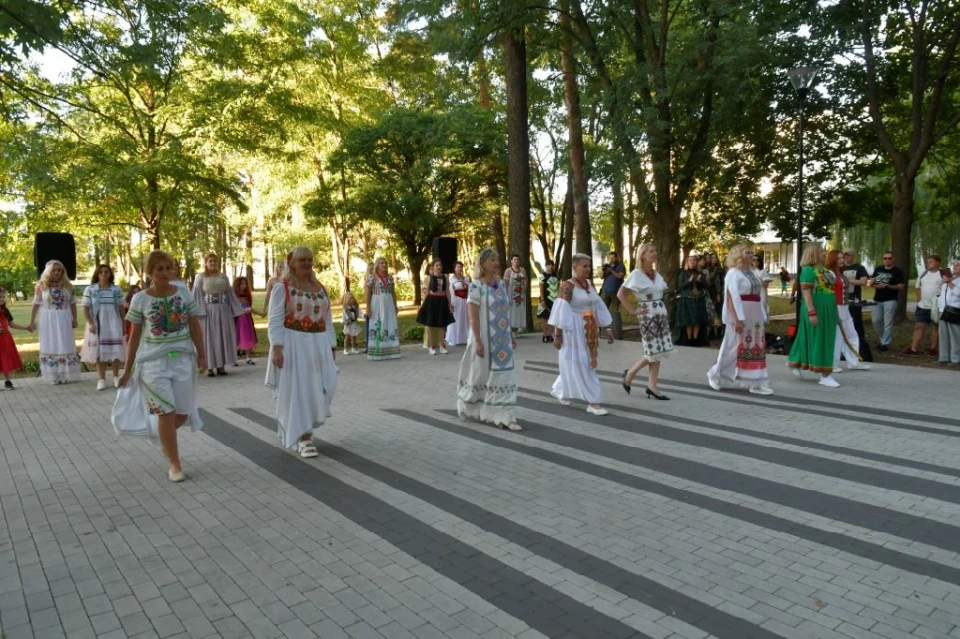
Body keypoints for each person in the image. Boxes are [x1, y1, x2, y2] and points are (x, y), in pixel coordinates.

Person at [113, 250, 205, 482]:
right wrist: (127, 369)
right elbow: (134, 336)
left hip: (183, 360)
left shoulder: (183, 293)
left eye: (168, 267)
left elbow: (194, 325)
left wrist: (202, 354)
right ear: (149, 273)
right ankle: (175, 463)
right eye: (159, 269)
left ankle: (164, 439)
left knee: (182, 413)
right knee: (166, 412)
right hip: (153, 364)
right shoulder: (140, 299)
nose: (164, 273)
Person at [266, 247, 337, 458]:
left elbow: (328, 319)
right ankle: (305, 436)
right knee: (300, 390)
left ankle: (301, 429)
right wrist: (276, 347)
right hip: (294, 345)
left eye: (309, 259)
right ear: (292, 263)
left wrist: (332, 346)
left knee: (323, 387)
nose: (307, 263)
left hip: (319, 344)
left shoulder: (320, 288)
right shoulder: (283, 288)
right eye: (302, 260)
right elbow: (274, 320)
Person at [457, 248, 520, 431]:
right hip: (483, 338)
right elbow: (473, 317)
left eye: (497, 259)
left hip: (501, 342)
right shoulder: (476, 286)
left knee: (505, 374)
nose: (496, 262)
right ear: (483, 263)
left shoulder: (500, 285)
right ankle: (468, 404)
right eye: (492, 260)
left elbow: (504, 312)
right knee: (478, 375)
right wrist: (478, 340)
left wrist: (510, 334)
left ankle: (505, 416)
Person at [549, 254, 614, 415]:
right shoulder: (567, 286)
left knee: (577, 362)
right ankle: (593, 402)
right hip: (573, 331)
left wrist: (608, 327)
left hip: (590, 329)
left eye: (589, 266)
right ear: (575, 267)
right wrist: (558, 335)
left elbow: (597, 305)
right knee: (583, 363)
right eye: (584, 266)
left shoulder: (589, 284)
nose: (588, 269)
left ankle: (559, 388)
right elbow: (560, 312)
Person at [707, 244, 773, 395]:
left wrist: (763, 314)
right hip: (740, 314)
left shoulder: (753, 273)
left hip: (755, 315)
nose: (752, 255)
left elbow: (759, 295)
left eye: (752, 253)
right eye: (748, 253)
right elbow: (731, 298)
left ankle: (757, 381)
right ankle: (715, 374)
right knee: (731, 346)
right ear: (739, 256)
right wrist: (737, 319)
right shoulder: (733, 273)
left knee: (756, 347)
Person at [618, 244, 673, 400]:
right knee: (652, 350)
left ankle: (652, 385)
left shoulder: (656, 274)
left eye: (655, 250)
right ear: (642, 255)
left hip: (660, 313)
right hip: (647, 314)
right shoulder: (636, 274)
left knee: (659, 350)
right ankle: (630, 374)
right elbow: (621, 294)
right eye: (651, 251)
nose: (655, 253)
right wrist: (632, 310)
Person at [788, 245, 840, 387]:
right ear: (813, 255)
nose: (824, 254)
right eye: (821, 252)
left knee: (819, 337)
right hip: (816, 307)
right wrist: (812, 312)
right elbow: (806, 294)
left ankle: (796, 361)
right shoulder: (807, 271)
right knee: (818, 338)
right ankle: (825, 373)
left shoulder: (825, 271)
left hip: (828, 309)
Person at [192, 253, 248, 376]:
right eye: (210, 261)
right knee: (210, 338)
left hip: (223, 310)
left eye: (214, 261)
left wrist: (237, 309)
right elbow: (197, 296)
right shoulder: (200, 277)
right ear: (205, 263)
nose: (212, 263)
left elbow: (230, 294)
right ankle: (210, 367)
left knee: (222, 337)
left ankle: (221, 367)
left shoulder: (223, 277)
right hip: (208, 311)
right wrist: (199, 311)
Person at [27, 260, 79, 385]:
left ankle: (64, 374)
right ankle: (53, 375)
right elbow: (36, 303)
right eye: (54, 270)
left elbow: (72, 304)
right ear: (49, 271)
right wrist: (31, 321)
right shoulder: (41, 285)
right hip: (48, 319)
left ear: (63, 271)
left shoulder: (68, 285)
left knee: (64, 343)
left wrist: (75, 318)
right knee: (51, 343)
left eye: (59, 270)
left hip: (64, 318)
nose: (56, 272)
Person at [80, 264, 125, 390]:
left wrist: (123, 324)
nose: (104, 274)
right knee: (99, 352)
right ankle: (101, 379)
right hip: (98, 323)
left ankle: (116, 376)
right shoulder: (91, 290)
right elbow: (86, 309)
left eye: (106, 272)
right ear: (97, 274)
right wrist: (91, 323)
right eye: (101, 272)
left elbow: (121, 308)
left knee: (116, 350)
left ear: (110, 274)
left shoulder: (116, 290)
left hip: (114, 322)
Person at [827, 250, 870, 373]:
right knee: (837, 337)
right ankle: (832, 364)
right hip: (836, 307)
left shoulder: (840, 273)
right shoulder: (830, 273)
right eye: (839, 258)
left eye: (842, 258)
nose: (842, 260)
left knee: (851, 334)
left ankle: (853, 362)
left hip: (845, 307)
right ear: (833, 259)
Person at [902, 254, 947, 356]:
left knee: (935, 327)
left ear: (938, 263)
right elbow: (918, 287)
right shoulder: (923, 274)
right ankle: (913, 349)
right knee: (919, 326)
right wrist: (919, 301)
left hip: (936, 307)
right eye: (927, 262)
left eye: (931, 262)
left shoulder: (942, 274)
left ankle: (933, 349)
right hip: (923, 306)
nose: (928, 264)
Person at [417, 259, 455, 355]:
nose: (439, 267)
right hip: (432, 301)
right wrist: (422, 305)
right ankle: (431, 347)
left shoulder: (445, 278)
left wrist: (450, 303)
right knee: (430, 324)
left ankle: (442, 346)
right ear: (433, 268)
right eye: (437, 265)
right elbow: (426, 293)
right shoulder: (430, 278)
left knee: (441, 324)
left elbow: (447, 291)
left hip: (442, 301)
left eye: (440, 265)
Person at [365, 257, 401, 360]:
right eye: (381, 263)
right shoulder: (372, 277)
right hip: (376, 302)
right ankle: (377, 351)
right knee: (378, 323)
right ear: (377, 265)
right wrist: (368, 307)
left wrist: (395, 305)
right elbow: (368, 293)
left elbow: (393, 292)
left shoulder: (390, 277)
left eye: (385, 263)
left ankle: (391, 350)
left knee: (389, 323)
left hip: (388, 302)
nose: (384, 265)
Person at [870, 251, 905, 353]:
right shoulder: (878, 269)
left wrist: (888, 286)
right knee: (876, 321)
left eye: (889, 258)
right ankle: (882, 340)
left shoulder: (897, 271)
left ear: (893, 259)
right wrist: (874, 284)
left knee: (888, 323)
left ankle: (885, 343)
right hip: (877, 299)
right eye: (885, 258)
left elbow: (901, 286)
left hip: (890, 300)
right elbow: (872, 283)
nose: (887, 260)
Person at [840, 249, 872, 362]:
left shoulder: (859, 268)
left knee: (856, 323)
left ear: (853, 256)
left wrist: (849, 281)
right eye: (844, 255)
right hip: (842, 299)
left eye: (848, 255)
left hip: (854, 298)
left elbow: (864, 282)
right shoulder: (840, 267)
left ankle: (860, 348)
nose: (846, 257)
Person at [0, 287, 29, 390]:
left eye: (3, 297)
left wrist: (25, 328)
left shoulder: (5, 310)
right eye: (0, 297)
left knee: (6, 359)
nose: (2, 299)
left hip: (5, 339)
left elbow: (11, 324)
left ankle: (8, 381)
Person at [676, 255, 708, 345]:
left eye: (694, 260)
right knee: (688, 320)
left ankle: (695, 339)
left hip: (698, 299)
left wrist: (699, 281)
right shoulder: (683, 273)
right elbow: (680, 287)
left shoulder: (700, 273)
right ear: (687, 262)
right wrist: (689, 281)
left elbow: (705, 286)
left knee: (697, 320)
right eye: (690, 260)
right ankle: (689, 339)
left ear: (696, 262)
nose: (692, 262)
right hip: (687, 299)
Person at [233, 276, 261, 365]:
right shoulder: (234, 296)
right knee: (236, 337)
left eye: (245, 284)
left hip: (247, 321)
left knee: (248, 337)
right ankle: (234, 358)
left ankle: (248, 357)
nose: (244, 286)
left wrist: (260, 313)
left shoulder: (247, 296)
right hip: (237, 321)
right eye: (241, 284)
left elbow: (250, 308)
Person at [937, 260, 960, 366]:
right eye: (954, 265)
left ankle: (956, 358)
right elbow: (942, 293)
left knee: (955, 335)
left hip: (955, 310)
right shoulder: (952, 278)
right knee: (943, 334)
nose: (955, 267)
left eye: (958, 265)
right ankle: (943, 356)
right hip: (944, 309)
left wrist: (949, 283)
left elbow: (958, 293)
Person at [600, 251, 626, 338]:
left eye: (613, 258)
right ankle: (603, 331)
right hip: (605, 291)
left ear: (617, 257)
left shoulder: (620, 266)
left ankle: (616, 330)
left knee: (615, 311)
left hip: (616, 292)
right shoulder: (608, 266)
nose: (611, 259)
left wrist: (611, 271)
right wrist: (603, 270)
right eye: (610, 258)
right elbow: (601, 277)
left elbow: (620, 276)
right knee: (603, 309)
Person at [446, 262, 471, 346]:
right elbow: (450, 291)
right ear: (454, 268)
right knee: (456, 318)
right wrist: (451, 302)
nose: (459, 268)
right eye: (458, 267)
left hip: (465, 300)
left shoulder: (466, 278)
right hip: (456, 300)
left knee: (465, 318)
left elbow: (470, 288)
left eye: (460, 267)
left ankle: (465, 338)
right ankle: (454, 339)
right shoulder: (452, 279)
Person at [503, 254, 527, 333]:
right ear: (511, 261)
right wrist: (505, 294)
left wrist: (525, 287)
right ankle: (511, 329)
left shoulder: (522, 270)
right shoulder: (508, 271)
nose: (516, 261)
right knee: (512, 312)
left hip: (521, 295)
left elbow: (526, 280)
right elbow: (505, 282)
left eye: (517, 259)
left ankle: (517, 329)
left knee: (519, 311)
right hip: (511, 295)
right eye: (514, 259)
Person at [537, 260, 560, 343]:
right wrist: (542, 299)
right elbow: (541, 288)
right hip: (545, 299)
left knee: (552, 317)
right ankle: (545, 334)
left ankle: (550, 334)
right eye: (548, 265)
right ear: (546, 266)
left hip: (554, 299)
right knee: (544, 318)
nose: (550, 266)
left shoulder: (555, 276)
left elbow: (557, 287)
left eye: (552, 265)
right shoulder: (542, 276)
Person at [342, 289, 363, 354]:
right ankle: (345, 349)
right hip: (348, 324)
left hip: (354, 324)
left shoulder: (355, 307)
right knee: (347, 336)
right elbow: (343, 318)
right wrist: (345, 322)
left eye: (353, 298)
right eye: (350, 299)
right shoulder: (345, 309)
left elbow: (360, 313)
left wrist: (363, 316)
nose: (352, 300)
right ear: (347, 300)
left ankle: (353, 348)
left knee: (354, 336)